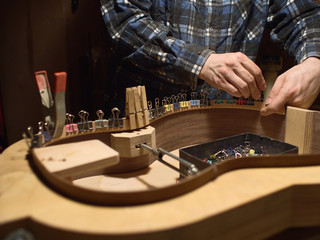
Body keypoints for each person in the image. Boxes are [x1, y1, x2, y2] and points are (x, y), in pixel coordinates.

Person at [100, 0, 320, 116]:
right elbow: (125, 23)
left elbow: (303, 15)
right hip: (142, 124)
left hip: (226, 127)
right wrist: (200, 62)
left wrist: (315, 62)